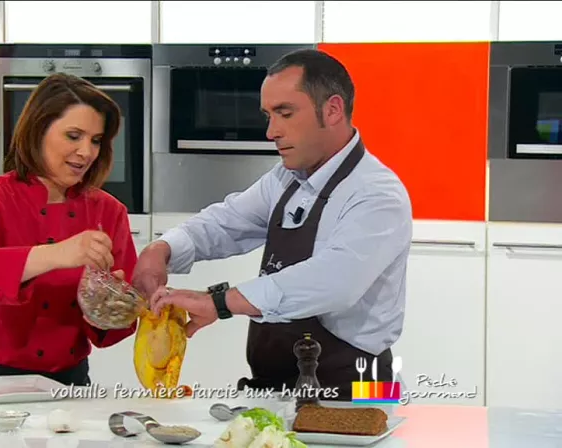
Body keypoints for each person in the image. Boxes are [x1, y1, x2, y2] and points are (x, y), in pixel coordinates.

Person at [133, 49, 413, 401]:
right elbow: (226, 222)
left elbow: (333, 282)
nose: (271, 131)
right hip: (276, 388)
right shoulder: (285, 179)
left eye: (285, 113)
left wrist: (220, 302)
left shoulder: (376, 193)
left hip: (355, 391)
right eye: (268, 115)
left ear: (333, 110)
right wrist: (162, 249)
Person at [0, 72, 138, 385]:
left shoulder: (109, 211)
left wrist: (113, 309)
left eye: (96, 140)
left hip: (67, 384)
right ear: (39, 129)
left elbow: (114, 330)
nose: (87, 152)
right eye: (74, 136)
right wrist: (55, 254)